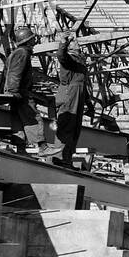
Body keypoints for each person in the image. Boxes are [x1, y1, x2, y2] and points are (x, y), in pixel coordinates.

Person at [3, 25, 52, 157]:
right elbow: (14, 73)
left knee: (18, 120)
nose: (34, 42)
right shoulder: (22, 53)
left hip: (15, 92)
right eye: (32, 39)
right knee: (33, 118)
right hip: (20, 93)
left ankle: (20, 149)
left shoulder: (17, 53)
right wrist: (14, 91)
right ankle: (43, 147)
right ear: (27, 41)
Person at [53, 31, 91, 167]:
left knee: (75, 129)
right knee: (66, 125)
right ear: (70, 47)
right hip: (69, 95)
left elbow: (83, 86)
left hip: (78, 96)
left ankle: (67, 159)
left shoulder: (80, 63)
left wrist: (89, 104)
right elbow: (60, 55)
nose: (77, 42)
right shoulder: (69, 59)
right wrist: (63, 42)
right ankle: (57, 157)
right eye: (74, 42)